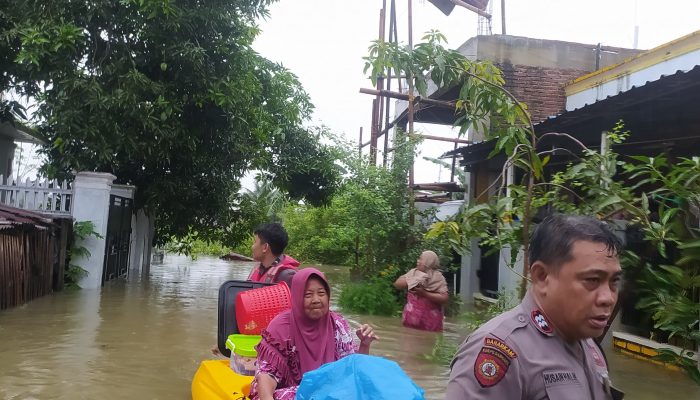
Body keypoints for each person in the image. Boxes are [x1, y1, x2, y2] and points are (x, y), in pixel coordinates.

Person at [446, 214, 625, 400]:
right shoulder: (502, 353)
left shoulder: (589, 346)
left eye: (614, 281)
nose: (608, 298)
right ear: (541, 277)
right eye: (592, 280)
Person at [249, 268, 378, 400]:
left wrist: (364, 344)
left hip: (328, 391)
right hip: (287, 392)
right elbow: (266, 376)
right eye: (308, 295)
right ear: (297, 297)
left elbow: (352, 371)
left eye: (321, 293)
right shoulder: (280, 327)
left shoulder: (338, 324)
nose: (316, 300)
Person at [394, 250, 449, 332]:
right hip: (410, 319)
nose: (417, 261)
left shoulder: (438, 277)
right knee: (408, 342)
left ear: (428, 262)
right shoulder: (413, 273)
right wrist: (414, 279)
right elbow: (397, 284)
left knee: (427, 343)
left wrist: (424, 293)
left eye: (420, 259)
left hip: (430, 323)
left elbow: (444, 298)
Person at [248, 223, 299, 287]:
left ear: (265, 247)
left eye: (255, 242)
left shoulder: (287, 276)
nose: (252, 247)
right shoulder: (260, 269)